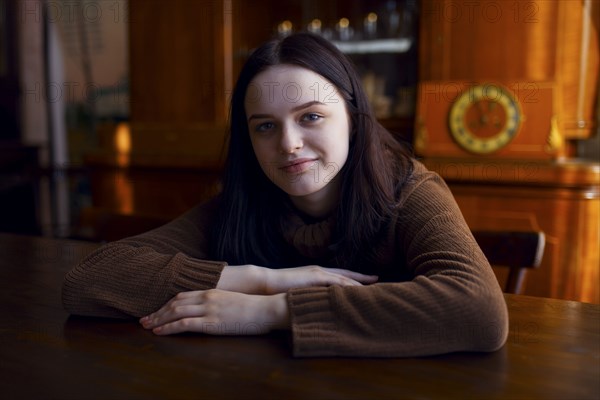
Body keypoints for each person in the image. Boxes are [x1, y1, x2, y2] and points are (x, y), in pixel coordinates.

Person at [62, 32, 508, 357]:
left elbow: (479, 311)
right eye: (266, 126)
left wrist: (271, 311)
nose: (288, 143)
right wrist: (264, 280)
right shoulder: (244, 202)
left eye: (310, 116)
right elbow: (89, 281)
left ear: (353, 119)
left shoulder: (410, 192)